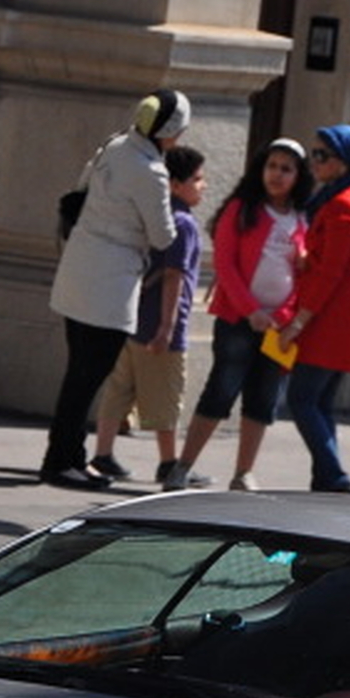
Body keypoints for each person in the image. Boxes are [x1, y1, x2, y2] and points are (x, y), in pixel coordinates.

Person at [40, 87, 190, 490]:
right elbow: (162, 236)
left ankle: (72, 455)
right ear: (170, 129)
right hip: (112, 279)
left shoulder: (116, 144)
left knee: (78, 371)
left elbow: (81, 189)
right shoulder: (152, 172)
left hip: (79, 264)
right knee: (88, 376)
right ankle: (59, 461)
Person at [165, 137, 309, 491]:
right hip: (236, 319)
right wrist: (251, 311)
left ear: (298, 176)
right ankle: (182, 467)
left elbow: (307, 276)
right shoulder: (241, 209)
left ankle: (243, 472)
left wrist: (285, 314)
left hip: (280, 326)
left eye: (286, 169)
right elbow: (225, 266)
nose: (276, 175)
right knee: (221, 390)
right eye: (271, 166)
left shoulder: (304, 218)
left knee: (262, 399)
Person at [278, 124, 350, 493]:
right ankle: (325, 478)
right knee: (321, 401)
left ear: (343, 163)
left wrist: (300, 320)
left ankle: (335, 476)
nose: (314, 162)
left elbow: (333, 271)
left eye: (321, 156)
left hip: (335, 313)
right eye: (313, 154)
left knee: (302, 398)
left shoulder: (343, 204)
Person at [89, 145, 207, 491]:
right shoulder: (183, 223)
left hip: (131, 317)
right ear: (174, 183)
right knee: (166, 396)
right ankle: (169, 462)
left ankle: (103, 452)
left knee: (119, 389)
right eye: (197, 179)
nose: (204, 185)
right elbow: (175, 276)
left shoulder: (154, 213)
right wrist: (167, 327)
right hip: (160, 324)